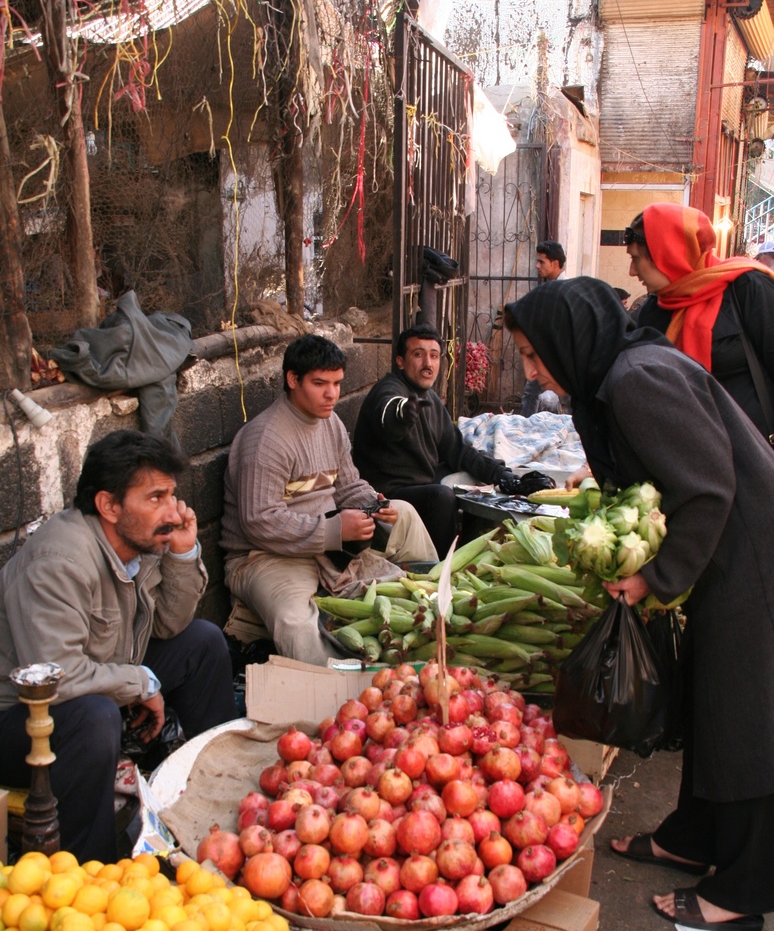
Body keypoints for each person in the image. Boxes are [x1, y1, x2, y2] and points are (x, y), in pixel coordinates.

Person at [503, 277, 774, 930]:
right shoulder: (614, 378)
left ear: (569, 341)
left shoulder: (637, 379)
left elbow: (708, 488)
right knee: (709, 705)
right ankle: (694, 838)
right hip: (719, 553)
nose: (533, 372)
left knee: (746, 721)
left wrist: (655, 576)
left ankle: (744, 891)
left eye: (535, 355)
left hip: (749, 555)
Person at [0, 430, 238, 863]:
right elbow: (61, 676)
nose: (172, 511)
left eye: (172, 495)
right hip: (20, 720)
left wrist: (183, 555)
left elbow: (168, 625)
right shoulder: (59, 563)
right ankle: (93, 868)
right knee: (95, 717)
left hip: (104, 675)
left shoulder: (138, 542)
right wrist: (142, 683)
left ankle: (216, 799)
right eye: (156, 498)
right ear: (109, 505)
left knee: (204, 642)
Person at [221, 334, 437, 667]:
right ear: (293, 380)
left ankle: (432, 605)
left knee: (404, 512)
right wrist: (334, 530)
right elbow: (259, 522)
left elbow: (347, 483)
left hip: (324, 541)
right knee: (296, 623)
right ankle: (334, 693)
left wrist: (373, 504)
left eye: (337, 383)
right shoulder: (265, 439)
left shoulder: (331, 422)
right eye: (320, 383)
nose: (332, 394)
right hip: (265, 556)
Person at [352, 324, 553, 555]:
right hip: (385, 493)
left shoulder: (431, 399)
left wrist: (505, 476)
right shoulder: (390, 390)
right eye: (418, 355)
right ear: (400, 361)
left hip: (416, 481)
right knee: (441, 496)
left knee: (477, 473)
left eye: (434, 356)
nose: (428, 363)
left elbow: (458, 450)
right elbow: (389, 413)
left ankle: (467, 547)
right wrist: (404, 413)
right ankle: (440, 566)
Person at [628, 203, 774, 440]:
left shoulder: (747, 287)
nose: (632, 271)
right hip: (690, 453)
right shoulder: (654, 310)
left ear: (666, 255)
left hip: (755, 454)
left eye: (636, 258)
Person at [521, 240, 567, 417]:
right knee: (531, 394)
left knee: (533, 395)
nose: (537, 266)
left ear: (555, 263)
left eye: (542, 262)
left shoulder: (561, 290)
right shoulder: (552, 286)